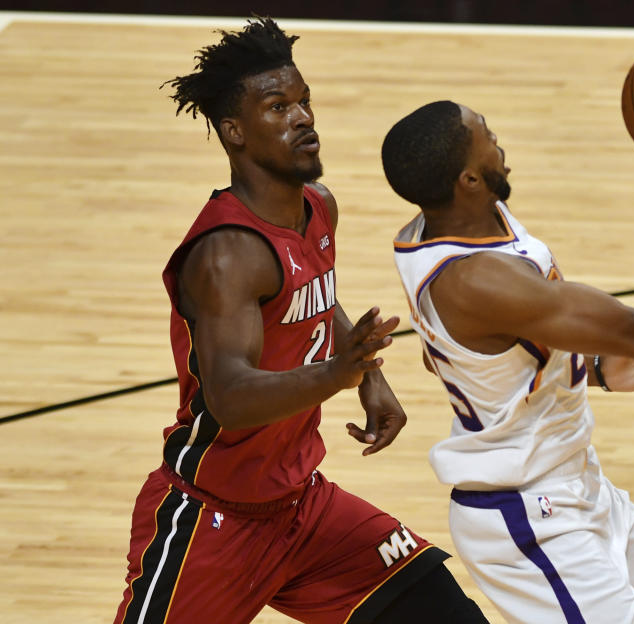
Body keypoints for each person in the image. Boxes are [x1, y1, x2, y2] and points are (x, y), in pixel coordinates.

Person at [114, 18, 488, 624]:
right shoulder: (227, 254)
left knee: (443, 613)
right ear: (235, 131)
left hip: (300, 511)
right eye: (278, 105)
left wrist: (368, 375)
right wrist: (338, 373)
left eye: (304, 100)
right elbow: (231, 397)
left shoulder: (317, 208)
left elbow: (314, 296)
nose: (303, 117)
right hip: (212, 516)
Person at [382, 75, 634, 624]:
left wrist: (596, 370)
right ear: (468, 178)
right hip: (530, 518)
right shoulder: (479, 282)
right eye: (482, 131)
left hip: (579, 484)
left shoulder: (453, 222)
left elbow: (450, 354)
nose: (494, 134)